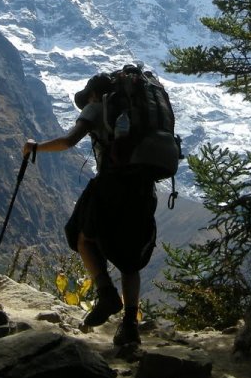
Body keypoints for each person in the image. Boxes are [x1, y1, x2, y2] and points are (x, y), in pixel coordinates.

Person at [22, 72, 158, 347]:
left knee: (81, 234)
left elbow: (69, 141)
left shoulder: (98, 108)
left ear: (94, 95)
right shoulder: (142, 112)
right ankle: (130, 325)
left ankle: (106, 292)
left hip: (110, 186)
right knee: (130, 257)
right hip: (143, 189)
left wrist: (37, 148)